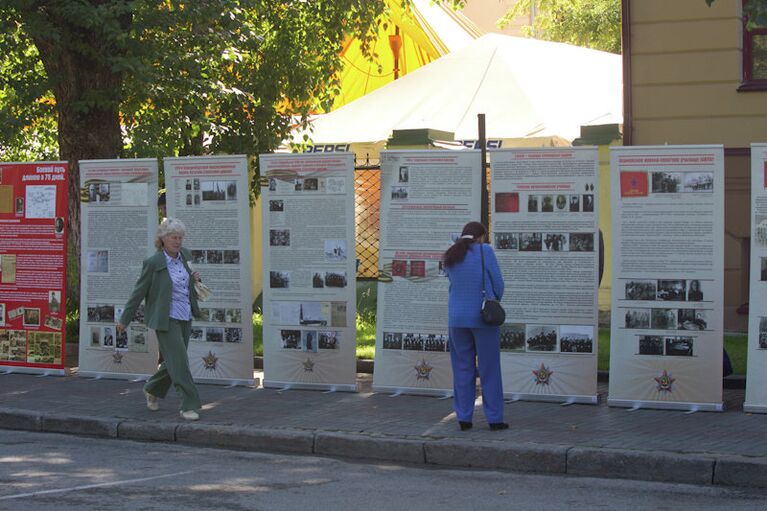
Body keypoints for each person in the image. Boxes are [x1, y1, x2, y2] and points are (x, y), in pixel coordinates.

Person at [117, 218, 203, 421]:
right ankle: (188, 404)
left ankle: (152, 388)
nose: (178, 241)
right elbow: (138, 293)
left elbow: (187, 284)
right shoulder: (153, 263)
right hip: (165, 318)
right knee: (180, 361)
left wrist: (195, 279)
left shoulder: (186, 256)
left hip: (185, 314)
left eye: (180, 237)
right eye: (174, 237)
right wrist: (125, 319)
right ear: (163, 239)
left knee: (174, 360)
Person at [442, 221, 508, 431]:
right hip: (482, 318)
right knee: (489, 368)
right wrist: (492, 297)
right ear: (481, 236)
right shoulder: (485, 251)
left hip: (456, 319)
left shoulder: (450, 254)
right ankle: (494, 418)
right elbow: (498, 284)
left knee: (462, 368)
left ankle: (464, 417)